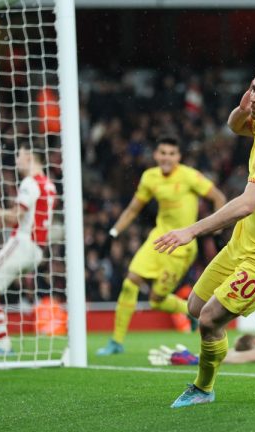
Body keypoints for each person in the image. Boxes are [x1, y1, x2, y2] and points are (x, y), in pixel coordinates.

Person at [153, 60, 255, 407]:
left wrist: (191, 230)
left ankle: (203, 388)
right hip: (245, 241)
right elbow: (235, 126)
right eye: (253, 88)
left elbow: (246, 205)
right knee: (195, 306)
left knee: (208, 321)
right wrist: (243, 108)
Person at [97, 136, 226, 356]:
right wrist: (113, 232)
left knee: (156, 301)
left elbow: (218, 197)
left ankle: (188, 311)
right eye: (163, 153)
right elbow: (133, 209)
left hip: (181, 246)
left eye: (171, 153)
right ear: (156, 155)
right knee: (130, 282)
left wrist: (217, 229)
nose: (166, 157)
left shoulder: (189, 176)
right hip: (158, 238)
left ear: (179, 157)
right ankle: (116, 341)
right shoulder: (150, 177)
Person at [0, 145, 56, 355]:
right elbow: (28, 220)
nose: (16, 161)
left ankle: (1, 342)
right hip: (36, 247)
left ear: (29, 157)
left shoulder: (30, 182)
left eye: (19, 156)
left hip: (24, 243)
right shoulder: (49, 185)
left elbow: (16, 216)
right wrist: (0, 221)